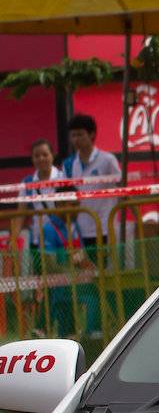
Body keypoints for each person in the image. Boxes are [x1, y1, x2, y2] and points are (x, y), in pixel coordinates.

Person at [18, 139, 73, 335]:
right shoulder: (27, 183)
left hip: (65, 239)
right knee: (47, 287)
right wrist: (13, 243)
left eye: (45, 154)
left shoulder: (64, 176)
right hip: (38, 243)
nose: (41, 158)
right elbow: (20, 213)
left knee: (63, 285)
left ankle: (47, 327)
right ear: (32, 159)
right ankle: (57, 329)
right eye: (37, 155)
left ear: (52, 155)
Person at [62, 114, 121, 245]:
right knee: (82, 265)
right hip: (78, 230)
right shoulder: (68, 164)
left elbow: (122, 187)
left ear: (92, 134)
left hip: (105, 226)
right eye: (73, 135)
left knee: (105, 265)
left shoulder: (107, 160)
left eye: (80, 134)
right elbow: (65, 196)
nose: (76, 139)